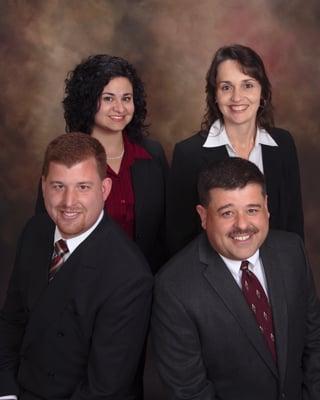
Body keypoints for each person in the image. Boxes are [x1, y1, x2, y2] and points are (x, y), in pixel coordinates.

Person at [152, 157, 320, 400]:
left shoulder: (292, 251)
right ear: (203, 216)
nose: (242, 225)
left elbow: (314, 342)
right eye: (227, 213)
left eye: (252, 210)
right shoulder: (173, 288)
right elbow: (190, 392)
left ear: (267, 207)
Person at [0, 133, 153, 399]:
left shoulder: (130, 275)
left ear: (104, 190)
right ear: (43, 185)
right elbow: (10, 322)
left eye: (83, 187)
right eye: (58, 186)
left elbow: (104, 388)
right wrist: (7, 392)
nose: (68, 202)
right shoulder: (35, 232)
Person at [35, 54, 168, 273]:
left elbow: (166, 232)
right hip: (85, 285)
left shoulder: (152, 154)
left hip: (145, 283)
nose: (120, 108)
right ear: (88, 101)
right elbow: (45, 232)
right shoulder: (64, 156)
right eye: (108, 98)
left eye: (126, 98)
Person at [167, 44, 304, 255]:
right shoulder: (189, 154)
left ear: (263, 92)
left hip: (276, 273)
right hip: (214, 279)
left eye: (247, 85)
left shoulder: (283, 144)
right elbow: (181, 238)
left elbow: (293, 225)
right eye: (226, 87)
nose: (237, 97)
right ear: (214, 95)